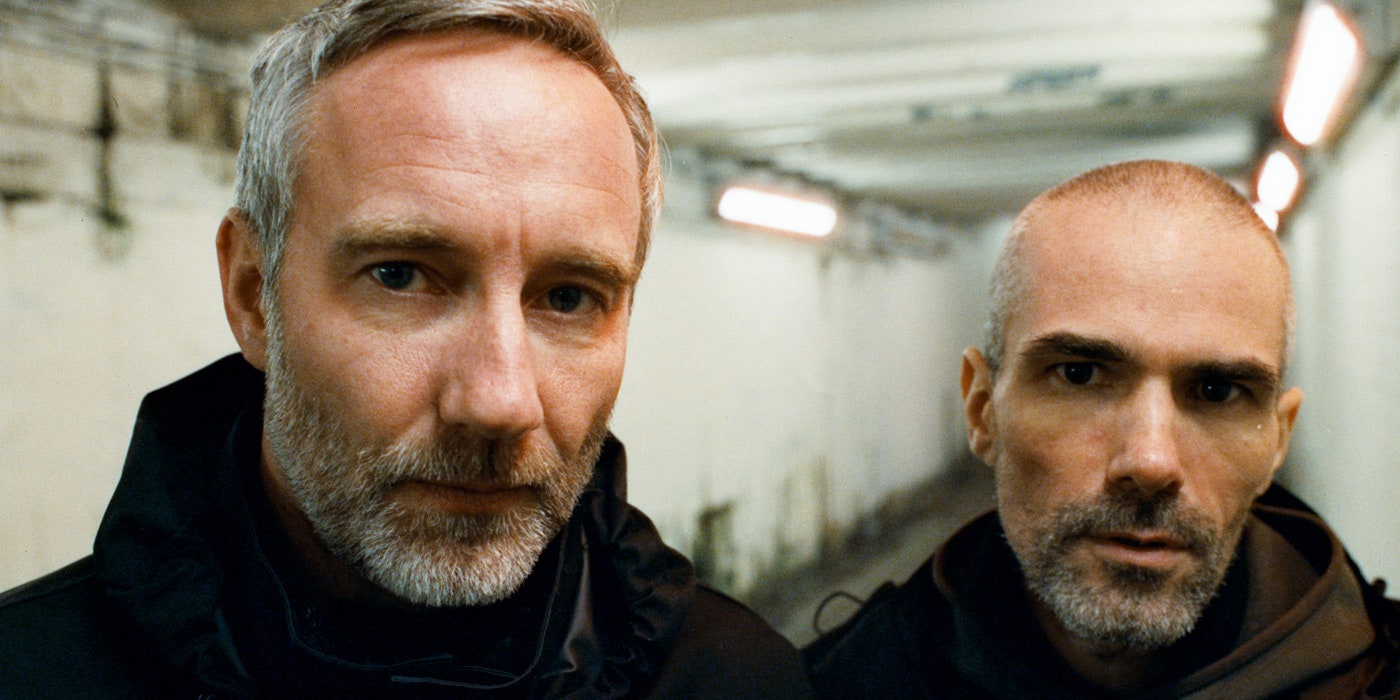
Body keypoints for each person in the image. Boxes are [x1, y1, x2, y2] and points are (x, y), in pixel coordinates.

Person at [0, 1, 811, 697]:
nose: (499, 402)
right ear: (252, 294)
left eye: (568, 297)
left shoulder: (737, 681)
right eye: (401, 276)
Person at [803, 160, 1400, 698]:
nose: (1151, 461)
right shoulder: (838, 684)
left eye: (1217, 391)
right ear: (982, 409)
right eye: (1080, 374)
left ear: (1277, 440)